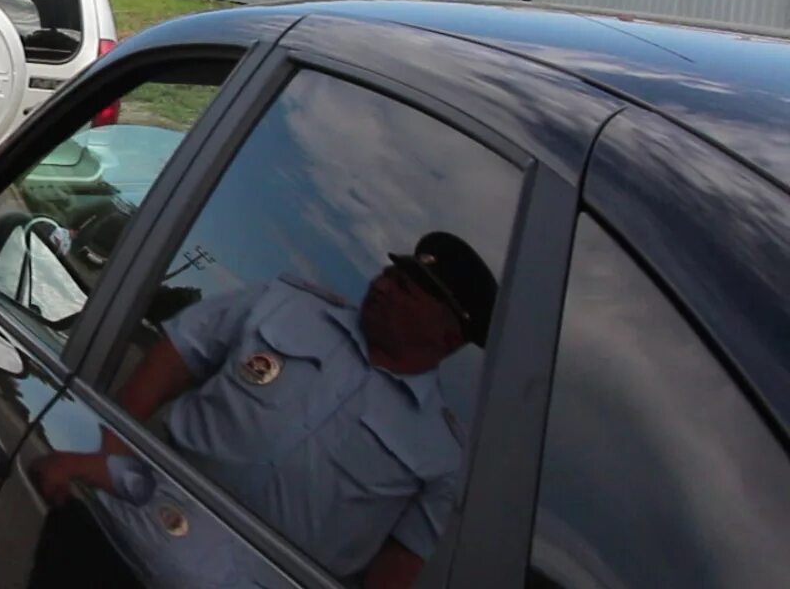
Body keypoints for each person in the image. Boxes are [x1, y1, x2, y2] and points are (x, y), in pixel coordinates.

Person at [32, 232, 498, 589]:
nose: (385, 285)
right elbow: (174, 357)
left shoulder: (440, 453)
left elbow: (396, 569)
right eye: (394, 274)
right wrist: (108, 453)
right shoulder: (283, 306)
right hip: (117, 538)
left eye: (410, 289)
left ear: (450, 335)